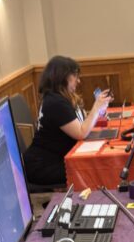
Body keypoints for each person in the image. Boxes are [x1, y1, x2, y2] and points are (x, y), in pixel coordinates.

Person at [23, 55, 111, 186]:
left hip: (51, 159)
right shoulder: (56, 103)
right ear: (62, 77)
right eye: (75, 76)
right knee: (93, 170)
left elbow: (79, 123)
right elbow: (81, 133)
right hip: (44, 166)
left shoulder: (57, 98)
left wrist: (97, 112)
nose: (78, 81)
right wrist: (96, 107)